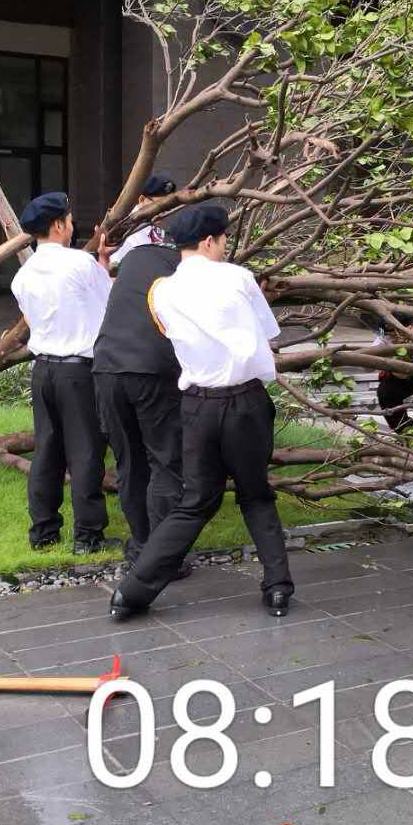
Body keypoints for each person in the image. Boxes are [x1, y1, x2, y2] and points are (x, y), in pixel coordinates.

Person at [107, 204, 296, 620]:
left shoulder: (161, 291)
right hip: (245, 402)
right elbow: (268, 332)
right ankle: (278, 589)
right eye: (223, 239)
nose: (225, 246)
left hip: (196, 407)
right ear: (210, 241)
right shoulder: (238, 277)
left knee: (193, 502)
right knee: (256, 494)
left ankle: (130, 593)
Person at [9, 192, 115, 555]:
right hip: (78, 371)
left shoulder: (23, 275)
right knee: (85, 451)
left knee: (47, 450)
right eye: (69, 220)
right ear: (58, 225)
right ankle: (88, 536)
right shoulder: (80, 263)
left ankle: (43, 532)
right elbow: (110, 305)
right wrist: (103, 265)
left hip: (43, 370)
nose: (72, 226)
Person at [92, 212, 191, 577]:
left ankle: (140, 546)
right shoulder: (184, 268)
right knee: (165, 459)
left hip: (106, 367)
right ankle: (162, 558)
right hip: (151, 370)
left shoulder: (133, 258)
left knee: (130, 461)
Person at [110, 173, 177, 270]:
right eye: (160, 205)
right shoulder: (123, 229)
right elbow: (114, 270)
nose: (164, 211)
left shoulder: (154, 229)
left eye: (169, 206)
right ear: (141, 200)